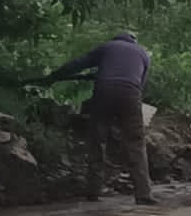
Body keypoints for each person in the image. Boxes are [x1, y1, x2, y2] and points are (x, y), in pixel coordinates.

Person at [36, 32, 155, 205]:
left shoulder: (107, 47)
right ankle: (144, 194)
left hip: (104, 92)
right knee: (135, 142)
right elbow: (140, 83)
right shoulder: (143, 53)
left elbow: (79, 64)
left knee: (97, 139)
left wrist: (54, 76)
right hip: (131, 93)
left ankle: (93, 190)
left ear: (116, 39)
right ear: (134, 41)